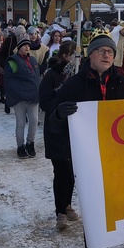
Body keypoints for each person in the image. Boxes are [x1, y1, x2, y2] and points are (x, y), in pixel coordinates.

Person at [51, 33, 124, 248]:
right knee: (95, 216)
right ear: (91, 55)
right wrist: (59, 114)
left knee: (112, 212)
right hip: (88, 161)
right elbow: (53, 115)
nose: (107, 55)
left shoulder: (123, 83)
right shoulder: (73, 85)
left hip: (116, 160)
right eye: (102, 51)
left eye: (110, 52)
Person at [39, 40, 79, 230]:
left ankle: (68, 204)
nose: (74, 59)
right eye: (72, 55)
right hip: (56, 129)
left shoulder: (77, 76)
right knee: (61, 172)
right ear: (64, 56)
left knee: (71, 173)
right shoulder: (51, 75)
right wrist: (60, 104)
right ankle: (60, 213)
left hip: (75, 130)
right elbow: (45, 102)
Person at [5, 37, 42, 158]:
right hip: (19, 98)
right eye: (24, 45)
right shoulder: (13, 61)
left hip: (33, 97)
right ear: (18, 47)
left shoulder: (33, 60)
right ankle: (20, 147)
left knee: (34, 121)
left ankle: (30, 143)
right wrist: (14, 95)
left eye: (28, 45)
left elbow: (36, 78)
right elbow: (9, 81)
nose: (27, 47)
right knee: (20, 123)